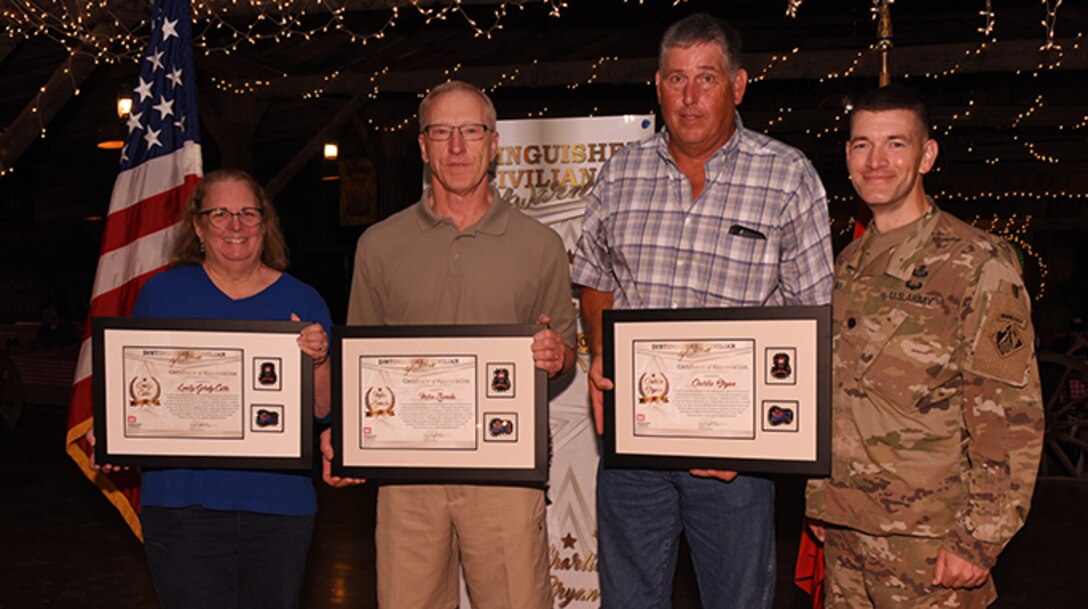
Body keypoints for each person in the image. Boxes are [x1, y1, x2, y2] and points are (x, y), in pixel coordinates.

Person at [572, 13, 834, 609]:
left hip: (734, 461)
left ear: (738, 85)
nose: (689, 97)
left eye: (706, 79)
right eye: (675, 79)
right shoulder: (619, 174)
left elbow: (811, 323)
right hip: (632, 447)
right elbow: (594, 278)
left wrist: (756, 439)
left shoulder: (788, 177)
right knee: (627, 601)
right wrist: (599, 350)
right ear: (657, 85)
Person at [321, 80, 577, 609]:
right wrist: (344, 437)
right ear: (422, 145)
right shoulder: (379, 244)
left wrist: (557, 356)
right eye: (441, 132)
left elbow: (567, 353)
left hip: (505, 477)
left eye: (470, 131)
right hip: (407, 480)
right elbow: (360, 363)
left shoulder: (542, 245)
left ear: (494, 143)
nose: (457, 147)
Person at [804, 85, 1044, 608]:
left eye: (895, 143)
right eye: (862, 144)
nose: (877, 160)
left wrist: (979, 538)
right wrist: (823, 498)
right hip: (846, 531)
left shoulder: (978, 262)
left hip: (931, 542)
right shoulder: (845, 265)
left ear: (926, 155)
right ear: (847, 155)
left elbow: (1008, 416)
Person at [91, 169, 333, 609]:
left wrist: (318, 360)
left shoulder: (304, 300)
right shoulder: (161, 294)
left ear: (265, 224)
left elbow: (323, 410)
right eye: (219, 213)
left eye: (247, 213)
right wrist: (110, 429)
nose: (235, 225)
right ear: (198, 227)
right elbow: (136, 387)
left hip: (278, 507)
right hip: (182, 507)